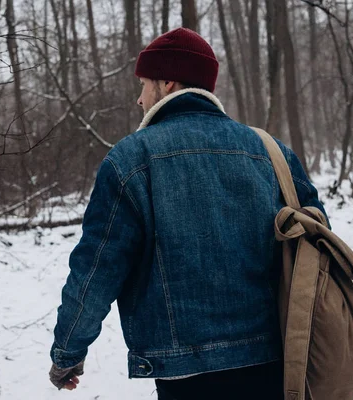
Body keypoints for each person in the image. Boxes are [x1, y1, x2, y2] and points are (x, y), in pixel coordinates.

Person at [48, 27, 327, 400]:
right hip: (275, 364)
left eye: (144, 84)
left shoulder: (131, 160)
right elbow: (317, 243)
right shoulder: (271, 151)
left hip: (186, 376)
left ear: (168, 84)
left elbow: (97, 269)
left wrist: (68, 350)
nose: (138, 98)